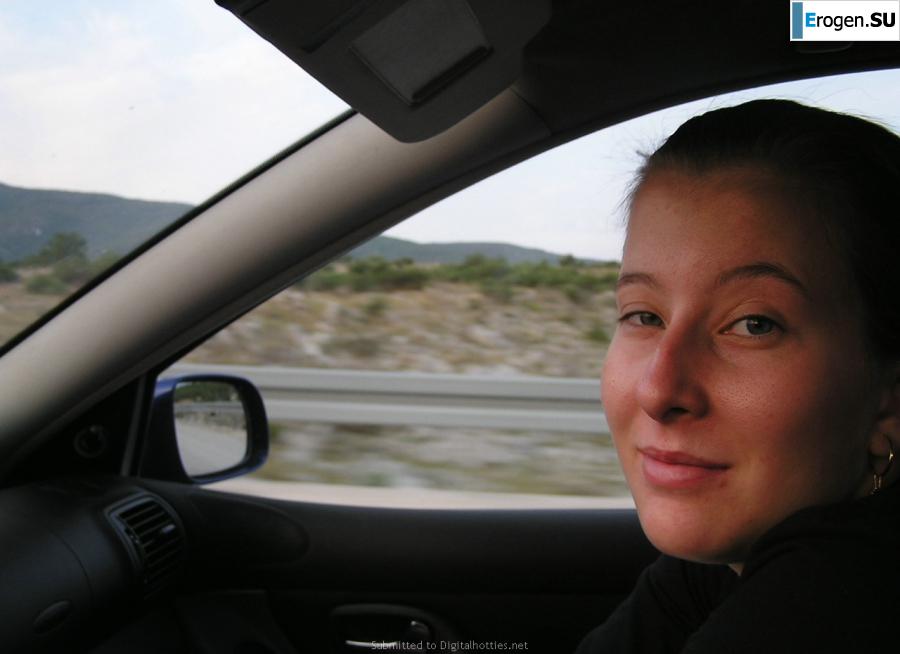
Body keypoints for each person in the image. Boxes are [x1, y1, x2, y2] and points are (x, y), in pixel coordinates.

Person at [576, 99, 900, 653]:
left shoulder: (838, 602)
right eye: (644, 315)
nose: (659, 390)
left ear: (888, 398)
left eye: (753, 324)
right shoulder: (724, 563)